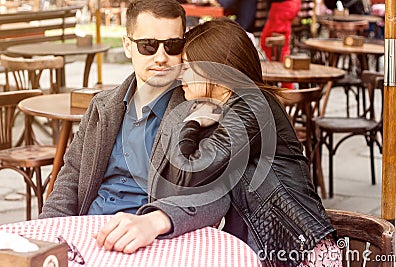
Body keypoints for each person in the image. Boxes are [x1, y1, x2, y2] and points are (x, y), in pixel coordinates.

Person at [39, 0, 230, 254]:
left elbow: (217, 195)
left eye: (172, 46)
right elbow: (70, 177)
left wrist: (156, 220)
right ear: (127, 46)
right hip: (89, 234)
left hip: (156, 242)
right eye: (148, 46)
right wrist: (46, 237)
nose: (161, 58)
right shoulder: (102, 106)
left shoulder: (199, 109)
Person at [155, 18, 342, 266]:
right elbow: (176, 187)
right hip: (263, 251)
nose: (180, 76)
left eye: (188, 67)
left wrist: (193, 123)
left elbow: (188, 174)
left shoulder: (253, 107)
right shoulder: (223, 110)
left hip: (301, 253)